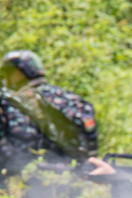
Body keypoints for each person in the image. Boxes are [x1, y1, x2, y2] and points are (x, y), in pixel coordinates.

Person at [0, 50, 98, 179]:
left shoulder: (10, 101)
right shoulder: (64, 96)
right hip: (74, 175)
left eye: (10, 73)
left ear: (20, 72)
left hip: (27, 178)